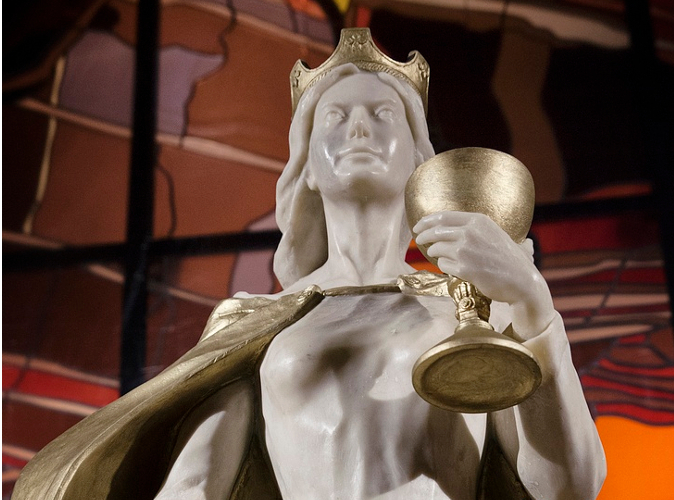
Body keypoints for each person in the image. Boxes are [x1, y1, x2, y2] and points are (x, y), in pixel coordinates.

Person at [12, 28, 605, 500]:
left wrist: (531, 300)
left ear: (418, 161)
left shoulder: (472, 309)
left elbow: (567, 486)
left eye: (383, 113)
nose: (359, 128)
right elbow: (196, 485)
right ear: (309, 169)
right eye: (335, 117)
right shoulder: (259, 323)